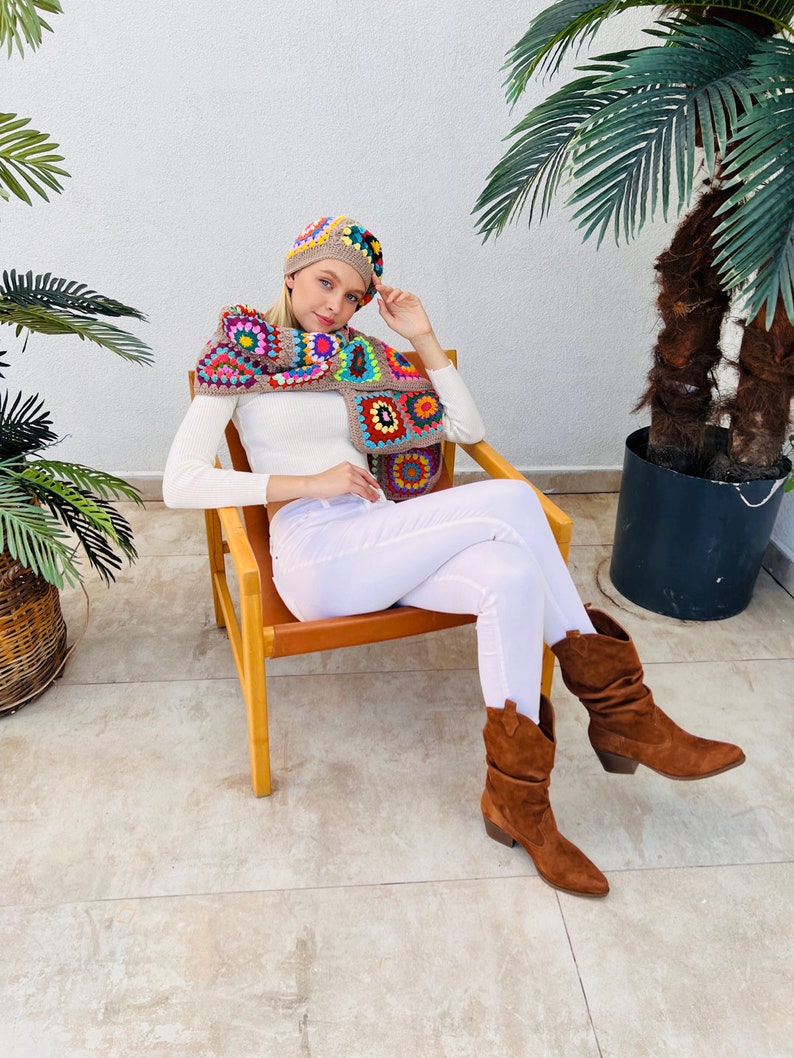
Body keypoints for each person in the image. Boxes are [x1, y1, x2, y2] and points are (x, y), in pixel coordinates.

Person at [164, 215, 745, 898]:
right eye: (325, 282)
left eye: (352, 296)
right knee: (510, 503)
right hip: (318, 557)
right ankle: (621, 711)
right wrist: (304, 483)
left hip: (383, 536)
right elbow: (181, 482)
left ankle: (517, 805)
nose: (335, 305)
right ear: (291, 273)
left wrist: (421, 338)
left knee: (509, 572)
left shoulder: (367, 359)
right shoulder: (243, 351)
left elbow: (467, 430)